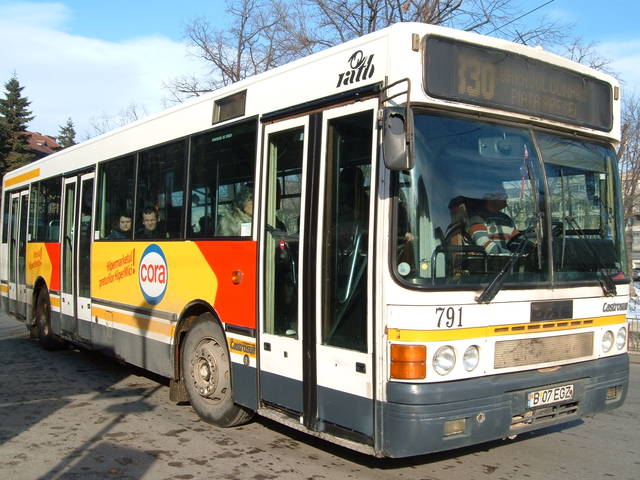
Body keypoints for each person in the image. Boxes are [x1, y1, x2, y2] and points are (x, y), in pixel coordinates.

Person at [467, 186, 519, 255]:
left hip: (510, 260)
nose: (506, 196)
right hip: (488, 261)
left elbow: (517, 241)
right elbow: (484, 244)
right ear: (490, 197)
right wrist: (510, 255)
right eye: (502, 194)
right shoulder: (476, 219)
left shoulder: (507, 219)